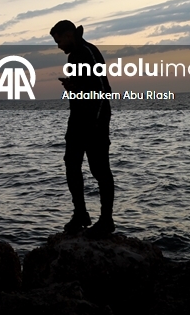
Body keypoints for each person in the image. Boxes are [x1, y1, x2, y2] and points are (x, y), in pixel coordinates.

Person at [51, 20, 115, 238]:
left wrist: (96, 122)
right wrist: (73, 87)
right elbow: (85, 88)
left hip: (95, 121)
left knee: (100, 170)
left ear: (69, 35)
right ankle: (80, 214)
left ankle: (106, 220)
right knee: (71, 164)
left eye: (59, 40)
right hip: (77, 120)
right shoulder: (74, 57)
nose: (58, 46)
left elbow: (102, 89)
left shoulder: (88, 52)